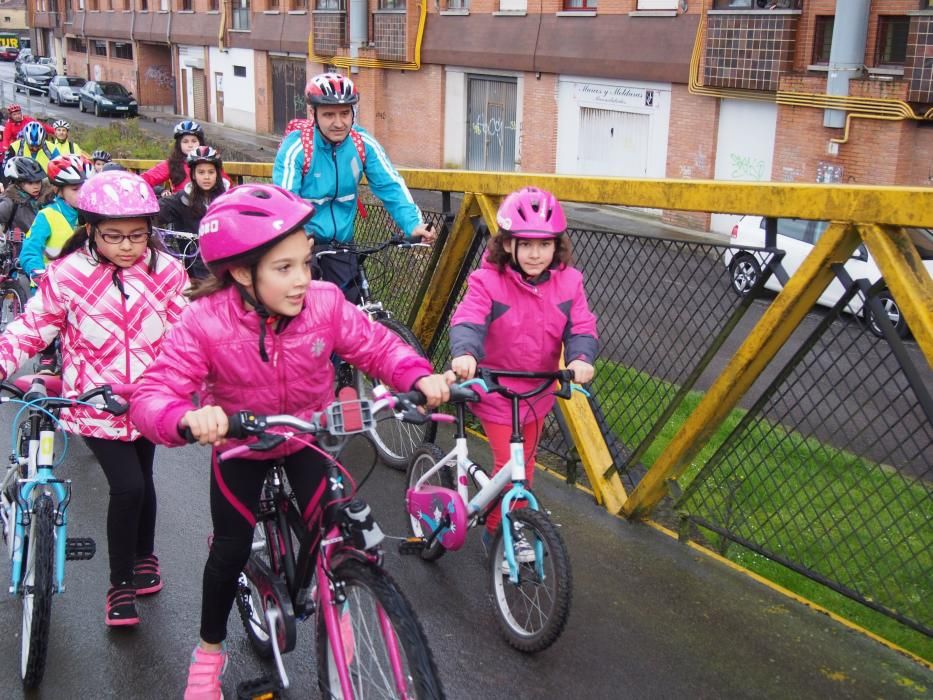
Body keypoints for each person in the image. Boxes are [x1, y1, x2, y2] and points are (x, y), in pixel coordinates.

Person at [128, 183, 453, 699]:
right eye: (284, 268)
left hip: (306, 436)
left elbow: (374, 345)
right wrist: (186, 418)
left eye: (305, 262)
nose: (304, 279)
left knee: (337, 533)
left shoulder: (325, 303)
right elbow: (154, 390)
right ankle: (209, 655)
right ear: (240, 272)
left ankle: (340, 597)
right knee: (230, 550)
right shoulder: (204, 321)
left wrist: (416, 375)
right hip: (241, 444)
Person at [0, 170, 188, 626]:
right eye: (114, 236)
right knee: (128, 487)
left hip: (149, 400)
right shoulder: (67, 275)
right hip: (95, 401)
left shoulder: (167, 271)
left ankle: (145, 557)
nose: (127, 246)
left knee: (144, 478)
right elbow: (31, 327)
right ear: (90, 229)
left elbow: (192, 331)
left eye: (138, 236)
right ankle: (119, 584)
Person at [448, 186, 598, 556]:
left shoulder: (569, 282)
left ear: (557, 246)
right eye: (525, 244)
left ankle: (504, 524)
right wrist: (465, 352)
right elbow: (468, 318)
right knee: (509, 466)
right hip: (496, 390)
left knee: (524, 468)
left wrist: (580, 358)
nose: (535, 254)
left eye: (545, 245)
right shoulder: (488, 281)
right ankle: (500, 535)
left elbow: (581, 326)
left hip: (538, 392)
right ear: (507, 245)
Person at [272, 72, 434, 303]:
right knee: (306, 312)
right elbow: (285, 201)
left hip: (342, 244)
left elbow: (391, 184)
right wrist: (298, 239)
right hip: (303, 244)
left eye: (345, 113)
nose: (339, 123)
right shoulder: (297, 147)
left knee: (352, 310)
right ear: (313, 114)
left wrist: (413, 224)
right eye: (329, 115)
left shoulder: (361, 143)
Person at [19, 154, 93, 373]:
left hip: (85, 285)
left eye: (85, 188)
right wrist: (36, 271)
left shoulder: (94, 216)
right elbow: (30, 250)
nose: (82, 194)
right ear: (60, 190)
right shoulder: (47, 216)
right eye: (75, 189)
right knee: (48, 321)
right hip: (51, 284)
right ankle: (48, 356)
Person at [156, 146, 228, 280]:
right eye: (201, 172)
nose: (206, 177)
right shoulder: (181, 200)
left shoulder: (229, 197)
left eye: (211, 172)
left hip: (225, 263)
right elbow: (155, 212)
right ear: (193, 174)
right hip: (197, 269)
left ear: (217, 174)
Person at [141, 120, 229, 196]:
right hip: (181, 208)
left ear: (200, 142)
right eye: (185, 142)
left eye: (194, 141)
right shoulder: (172, 163)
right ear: (179, 145)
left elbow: (226, 185)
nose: (190, 145)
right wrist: (160, 190)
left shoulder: (210, 161)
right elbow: (144, 179)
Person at [0, 156, 55, 241]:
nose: (36, 186)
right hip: (17, 250)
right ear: (18, 183)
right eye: (30, 183)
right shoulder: (10, 202)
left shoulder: (47, 198)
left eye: (38, 182)